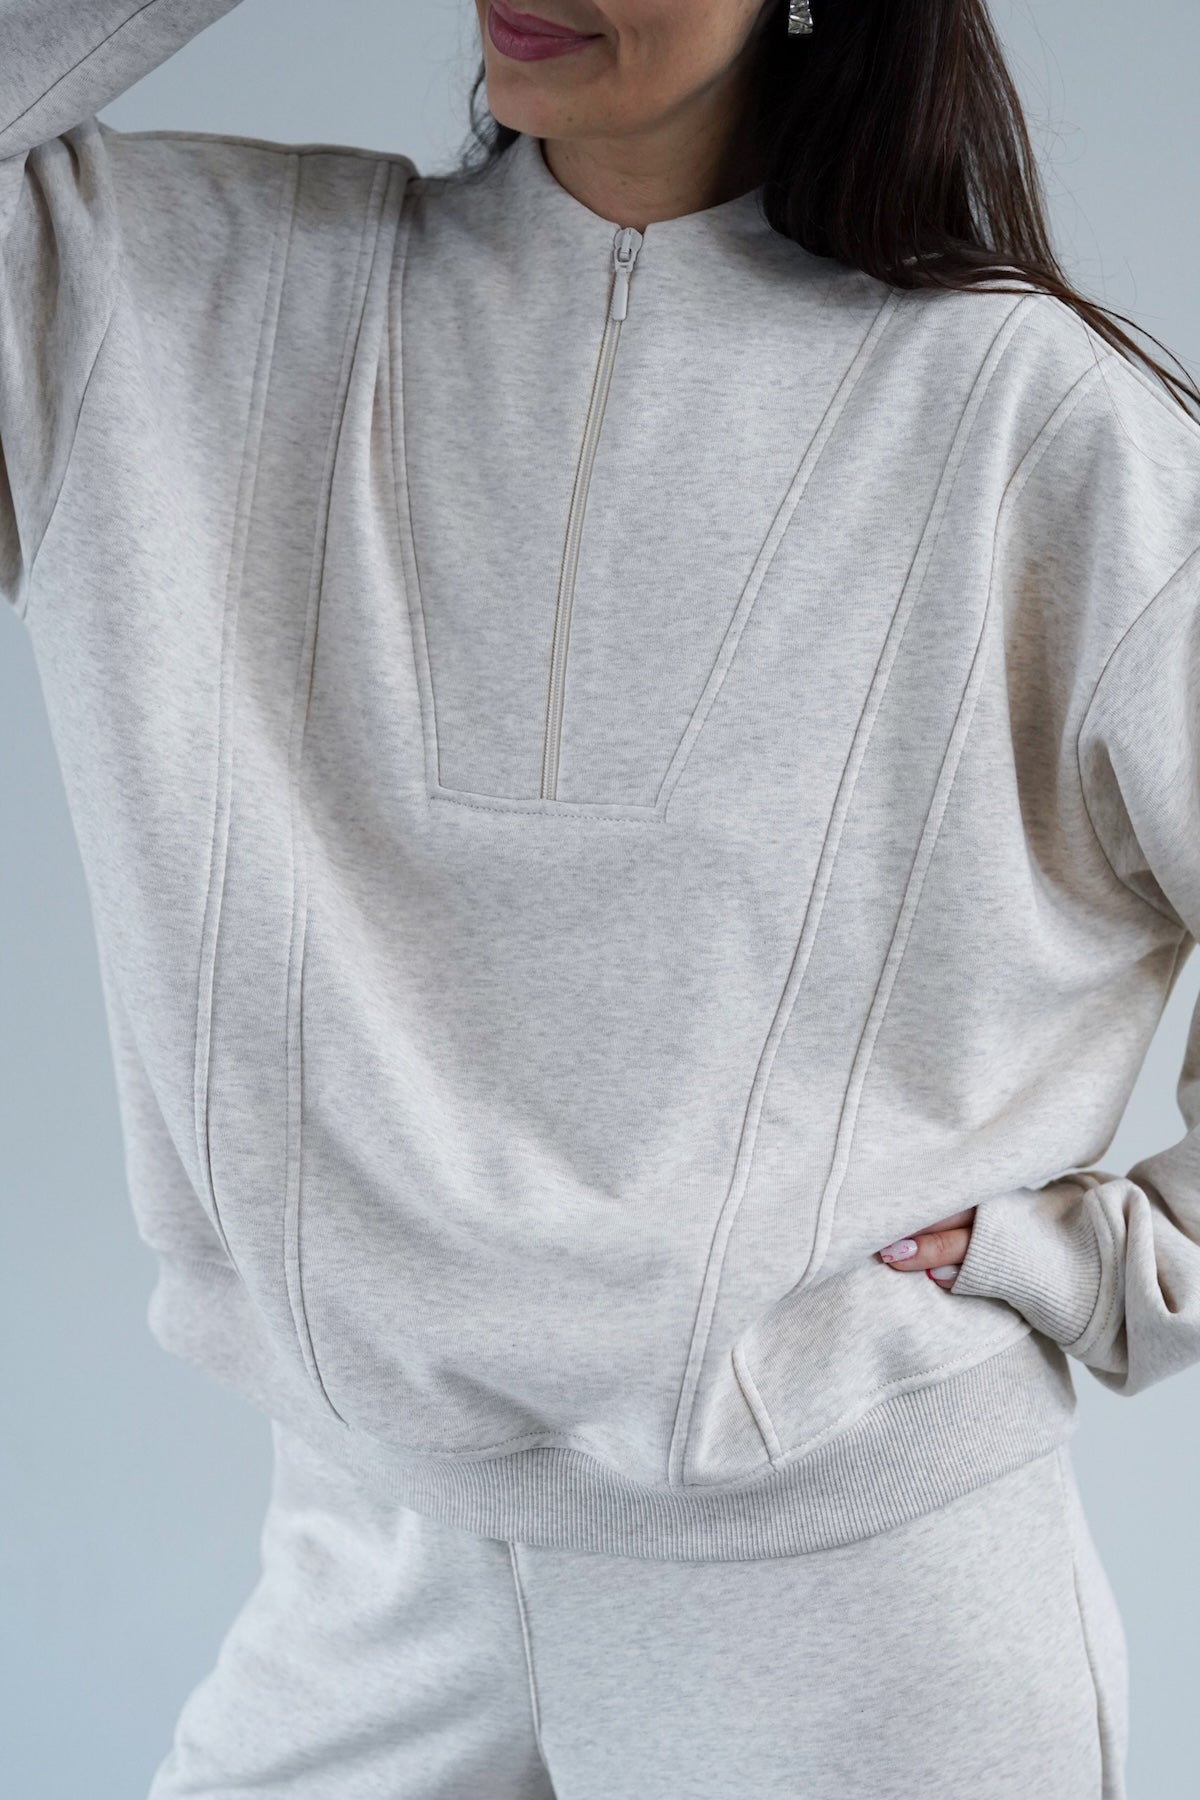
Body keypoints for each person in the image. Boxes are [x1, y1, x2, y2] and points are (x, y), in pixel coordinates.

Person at [3, 1, 1199, 1794]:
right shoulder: (165, 296)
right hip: (366, 1570)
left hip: (856, 1608)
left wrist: (1110, 1267)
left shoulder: (1038, 423)